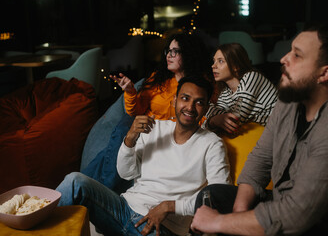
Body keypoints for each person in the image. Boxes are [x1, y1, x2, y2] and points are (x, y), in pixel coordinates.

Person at [190, 24, 328, 236]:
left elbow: (298, 213)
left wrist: (219, 223)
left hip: (317, 223)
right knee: (212, 196)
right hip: (281, 201)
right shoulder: (289, 102)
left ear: (324, 73)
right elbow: (260, 158)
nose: (284, 59)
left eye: (297, 55)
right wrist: (236, 216)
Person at [56, 76, 231, 236]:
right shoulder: (154, 128)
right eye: (185, 98)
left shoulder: (212, 144)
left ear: (206, 108)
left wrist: (169, 206)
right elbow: (126, 173)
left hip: (161, 227)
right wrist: (130, 139)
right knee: (74, 181)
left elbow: (219, 197)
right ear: (175, 100)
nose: (190, 107)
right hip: (122, 210)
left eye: (199, 102)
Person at [81, 33, 213, 193]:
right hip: (143, 130)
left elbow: (202, 116)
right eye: (168, 51)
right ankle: (82, 188)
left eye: (175, 51)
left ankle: (92, 191)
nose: (169, 56)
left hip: (164, 136)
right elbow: (135, 111)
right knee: (117, 139)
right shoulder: (158, 79)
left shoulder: (201, 86)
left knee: (109, 151)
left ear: (189, 53)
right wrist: (130, 91)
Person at [204, 43, 277, 137]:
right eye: (214, 61)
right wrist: (214, 119)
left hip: (277, 132)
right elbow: (215, 121)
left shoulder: (252, 77)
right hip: (258, 135)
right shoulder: (225, 92)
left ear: (235, 66)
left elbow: (235, 120)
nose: (213, 66)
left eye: (220, 61)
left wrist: (212, 115)